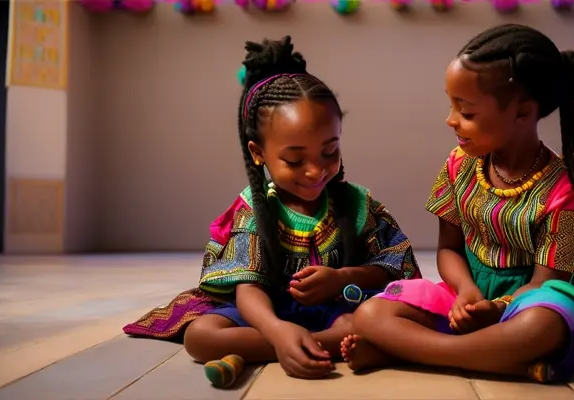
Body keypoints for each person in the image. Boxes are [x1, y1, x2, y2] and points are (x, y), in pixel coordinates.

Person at [340, 23, 574, 383]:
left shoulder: (569, 190)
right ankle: (501, 359)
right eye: (451, 106)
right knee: (370, 313)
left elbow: (548, 281)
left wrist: (497, 309)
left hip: (532, 300)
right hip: (469, 293)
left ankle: (416, 351)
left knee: (543, 326)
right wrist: (467, 290)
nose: (450, 120)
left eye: (466, 112)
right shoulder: (458, 165)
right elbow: (448, 249)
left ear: (523, 113)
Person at [122, 36, 420, 380]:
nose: (316, 170)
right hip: (264, 313)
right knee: (201, 336)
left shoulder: (357, 203)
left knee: (373, 319)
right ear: (257, 152)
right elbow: (247, 289)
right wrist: (278, 332)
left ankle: (289, 346)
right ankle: (311, 344)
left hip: (338, 309)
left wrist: (342, 277)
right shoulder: (254, 209)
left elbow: (394, 264)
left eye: (329, 151)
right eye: (295, 159)